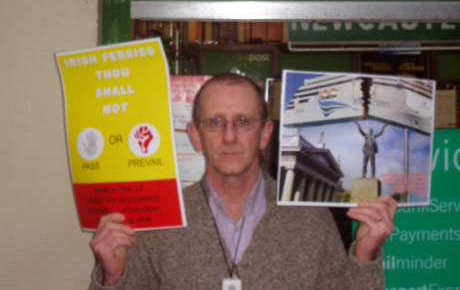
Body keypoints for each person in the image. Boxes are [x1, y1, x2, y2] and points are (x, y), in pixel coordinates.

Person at [89, 73, 396, 289]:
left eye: (243, 121)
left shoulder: (311, 218)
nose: (230, 136)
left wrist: (364, 255)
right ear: (195, 136)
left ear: (265, 134)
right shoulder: (161, 222)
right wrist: (113, 277)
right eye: (214, 122)